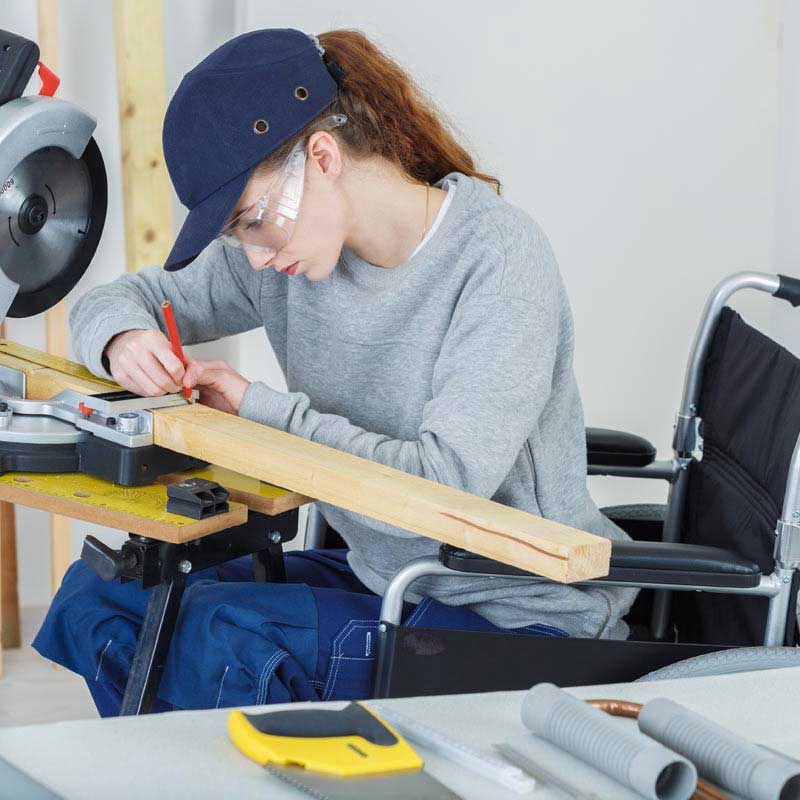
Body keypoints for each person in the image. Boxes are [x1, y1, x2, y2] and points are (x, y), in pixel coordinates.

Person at [34, 28, 635, 715]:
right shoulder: (286, 255)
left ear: (321, 157)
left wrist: (262, 410)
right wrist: (122, 340)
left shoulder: (498, 261)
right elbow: (114, 299)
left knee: (217, 636)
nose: (253, 257)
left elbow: (441, 497)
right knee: (99, 597)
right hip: (386, 578)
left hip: (513, 612)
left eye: (250, 221)